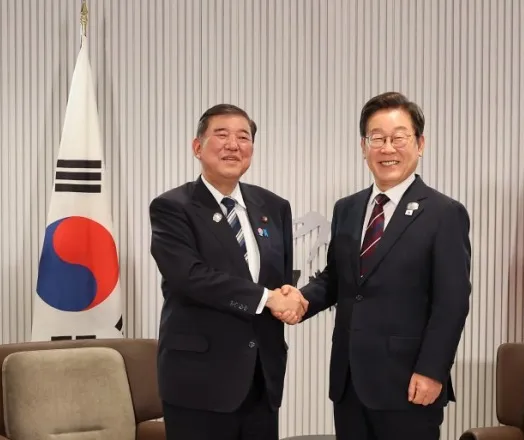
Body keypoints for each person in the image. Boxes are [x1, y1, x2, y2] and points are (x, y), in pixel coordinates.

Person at [277, 92, 472, 440]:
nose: (387, 148)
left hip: (409, 383)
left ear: (420, 144)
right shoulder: (347, 208)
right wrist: (302, 299)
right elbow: (337, 278)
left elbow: (452, 303)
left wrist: (432, 371)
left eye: (399, 138)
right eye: (377, 138)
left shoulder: (444, 213)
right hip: (349, 380)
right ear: (363, 146)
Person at [149, 104, 308, 440]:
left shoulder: (274, 207)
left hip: (261, 378)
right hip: (199, 380)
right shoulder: (172, 207)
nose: (233, 145)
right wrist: (267, 299)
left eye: (243, 137)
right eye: (221, 135)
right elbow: (189, 277)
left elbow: (278, 279)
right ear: (198, 147)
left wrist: (290, 297)